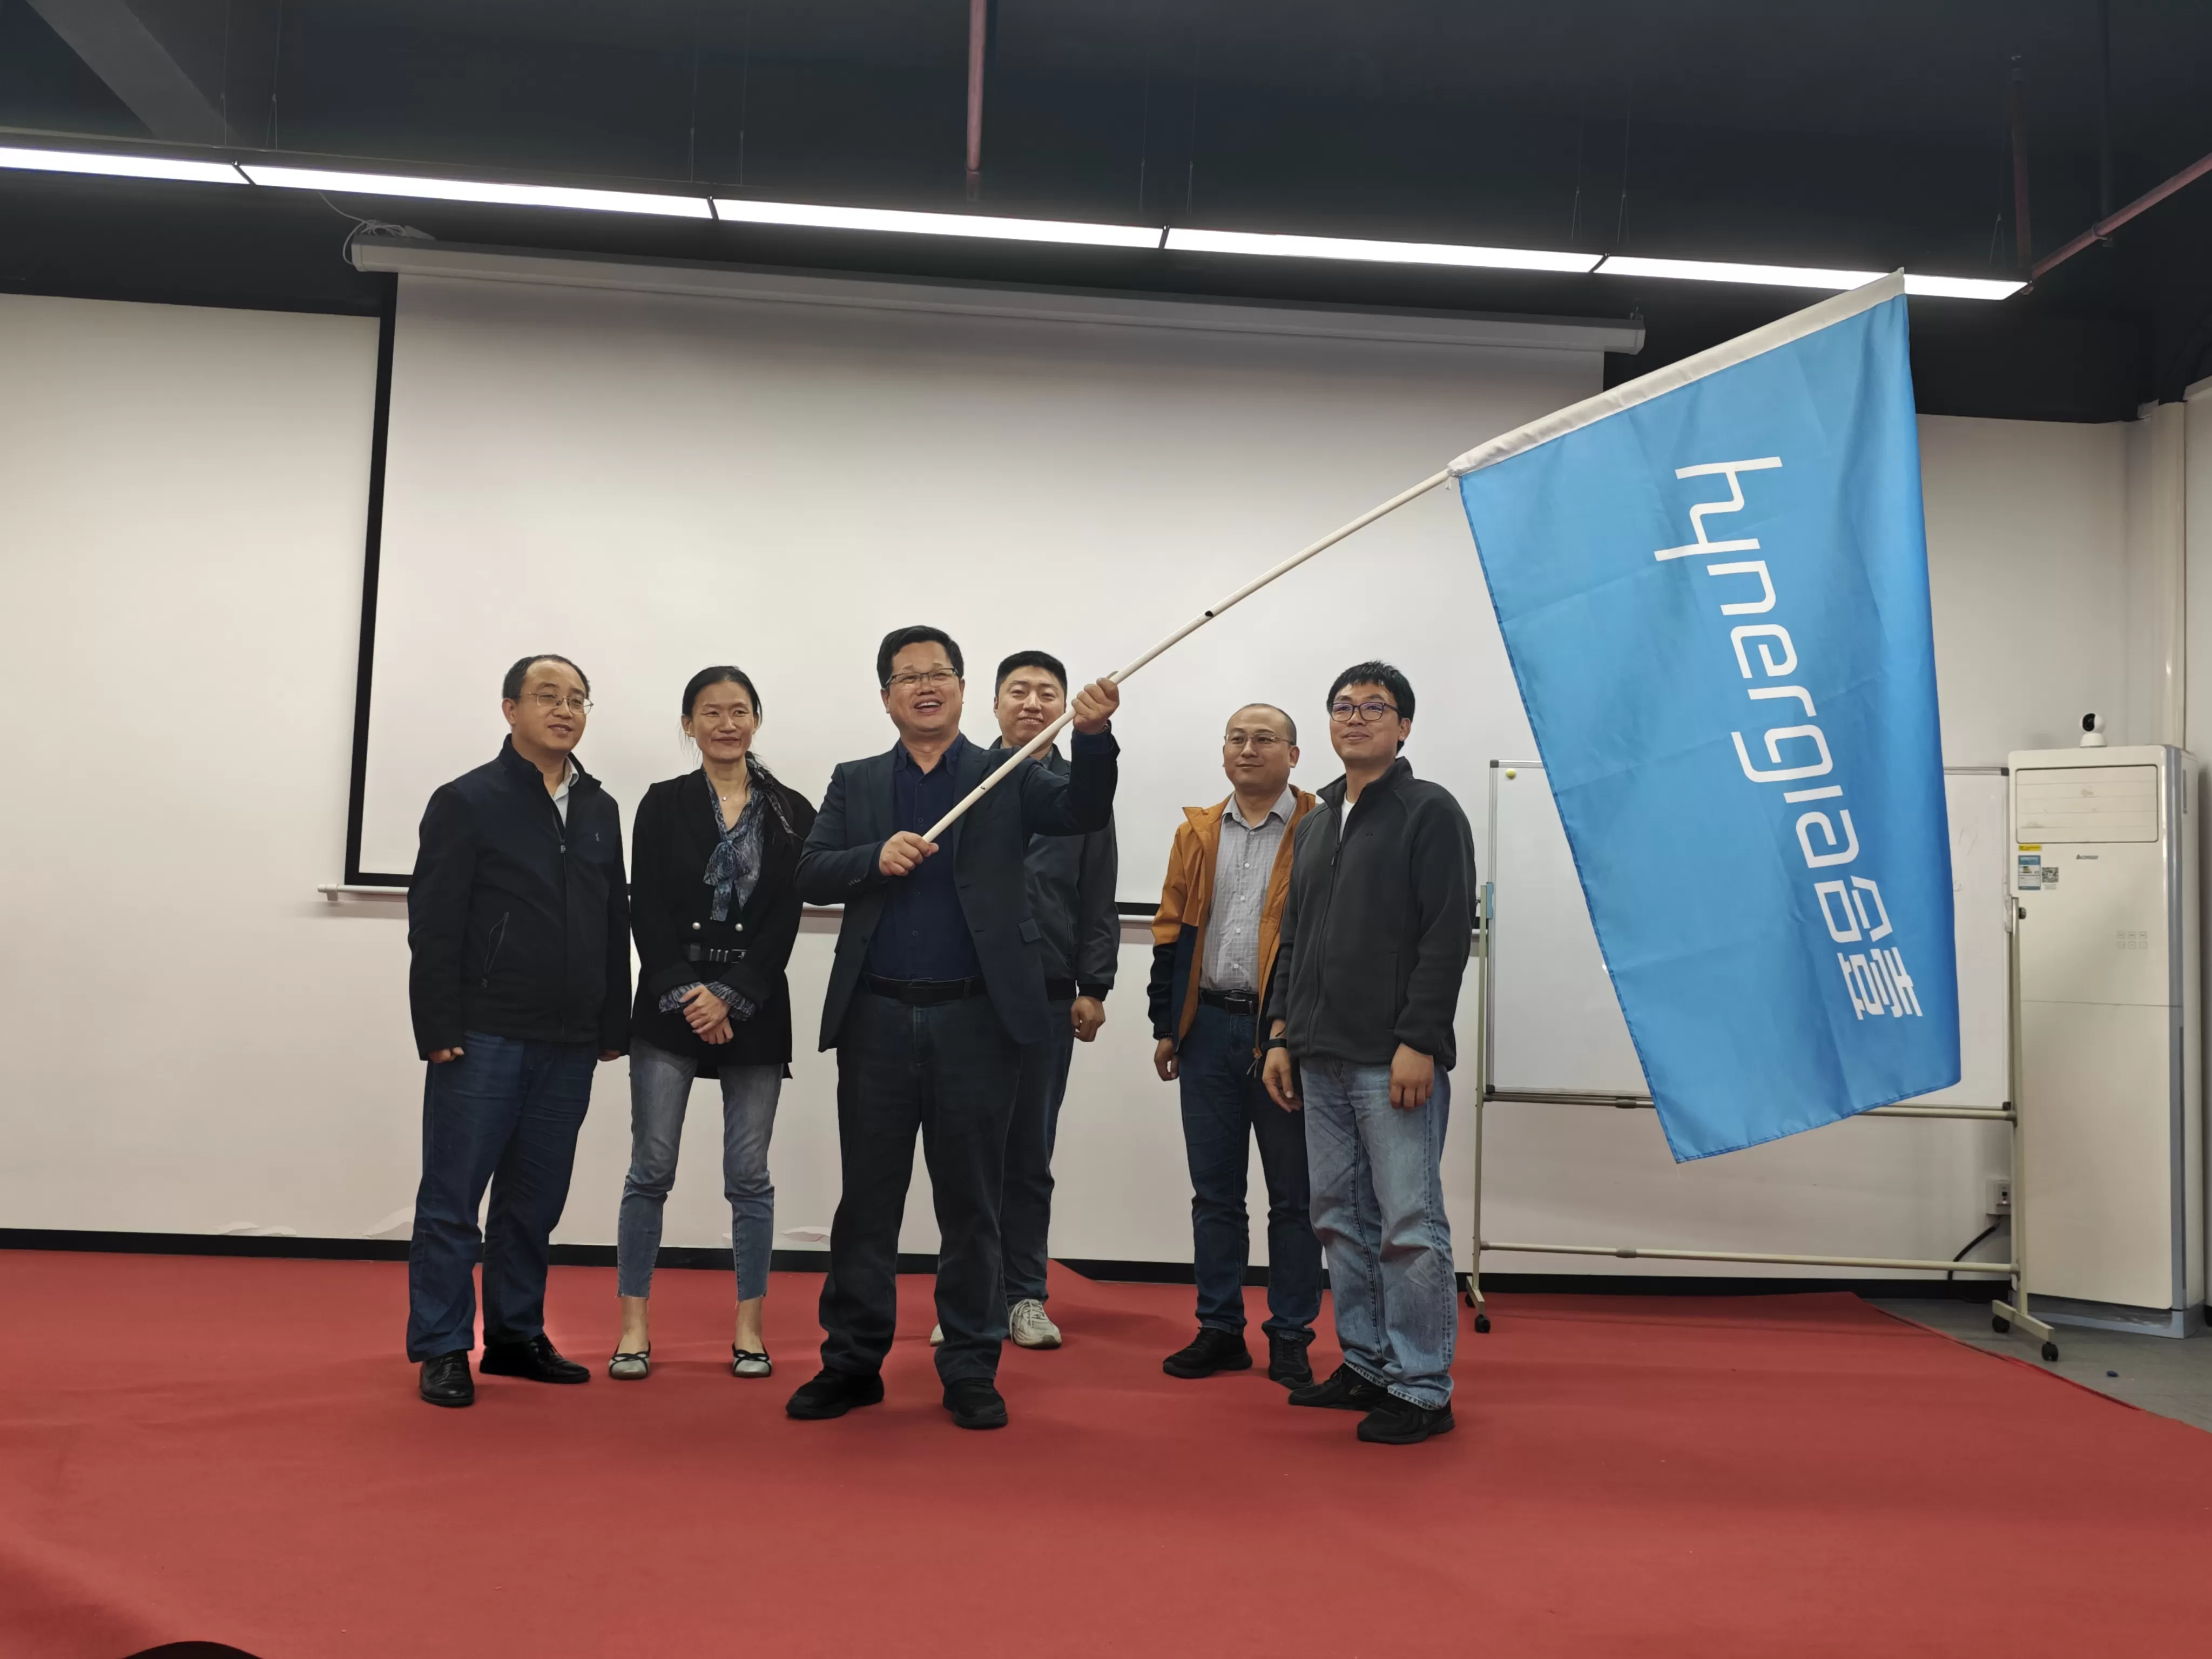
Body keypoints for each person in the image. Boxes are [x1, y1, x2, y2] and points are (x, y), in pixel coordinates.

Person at [787, 625, 1120, 1431]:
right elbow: (810, 872)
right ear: (886, 697)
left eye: (939, 673)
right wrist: (873, 857)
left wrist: (1092, 736)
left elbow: (1082, 809)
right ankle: (851, 1362)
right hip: (876, 1017)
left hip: (977, 1019)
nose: (925, 686)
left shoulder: (1008, 773)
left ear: (963, 690)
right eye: (908, 677)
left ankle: (971, 1365)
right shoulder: (857, 781)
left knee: (972, 1202)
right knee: (867, 1202)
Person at [405, 653, 631, 1408]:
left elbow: (614, 919)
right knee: (453, 1199)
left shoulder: (599, 807)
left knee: (534, 1200)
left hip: (570, 1039)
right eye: (547, 696)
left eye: (578, 699)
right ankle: (443, 1345)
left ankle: (514, 1334)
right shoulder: (467, 801)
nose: (565, 710)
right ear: (511, 709)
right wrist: (437, 1023)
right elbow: (434, 923)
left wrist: (613, 1019)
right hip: (484, 1032)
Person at [1262, 662, 1474, 1446]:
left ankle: (1422, 1386)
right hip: (1317, 1056)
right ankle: (1367, 1362)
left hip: (1393, 1060)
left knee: (1408, 1223)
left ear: (1404, 726)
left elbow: (1445, 935)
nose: (1356, 717)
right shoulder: (1317, 823)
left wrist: (1420, 1040)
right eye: (1343, 706)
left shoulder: (1430, 811)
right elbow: (1293, 939)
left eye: (1374, 707)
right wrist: (1280, 1034)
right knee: (1339, 1220)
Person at [610, 666, 818, 1382]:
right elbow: (645, 908)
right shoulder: (662, 802)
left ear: (756, 719)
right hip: (669, 1005)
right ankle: (633, 1327)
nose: (726, 724)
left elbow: (786, 916)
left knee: (750, 1176)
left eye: (739, 711)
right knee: (650, 1169)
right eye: (710, 712)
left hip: (754, 1007)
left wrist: (731, 995)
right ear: (688, 724)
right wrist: (691, 993)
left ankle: (749, 1329)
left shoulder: (790, 810)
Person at [934, 651, 1117, 1352]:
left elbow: (1098, 893)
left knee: (1030, 1153)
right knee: (967, 1154)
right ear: (994, 703)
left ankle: (1025, 1295)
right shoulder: (961, 780)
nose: (1033, 703)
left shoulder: (1082, 792)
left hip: (1046, 995)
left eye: (1047, 693)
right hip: (967, 992)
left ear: (1066, 707)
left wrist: (1093, 985)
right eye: (1019, 691)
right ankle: (968, 1298)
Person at [1149, 703, 1324, 1388]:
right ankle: (1219, 1329)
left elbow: (1319, 945)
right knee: (1214, 1195)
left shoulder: (1318, 829)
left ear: (1293, 755)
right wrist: (1167, 1026)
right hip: (1207, 1032)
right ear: (1224, 752)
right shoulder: (1196, 832)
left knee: (1294, 1200)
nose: (1248, 749)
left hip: (1282, 1039)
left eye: (1264, 739)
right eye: (1236, 738)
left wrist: (1293, 1033)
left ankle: (1291, 1333)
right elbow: (1171, 931)